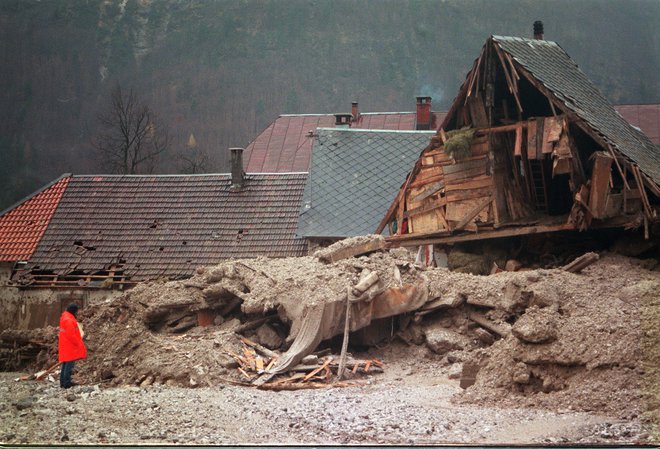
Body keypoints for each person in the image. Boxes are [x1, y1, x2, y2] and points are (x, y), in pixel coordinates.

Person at [58, 303, 87, 388]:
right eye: (77, 311)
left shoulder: (65, 317)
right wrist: (78, 343)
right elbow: (71, 335)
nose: (77, 313)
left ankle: (62, 382)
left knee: (65, 363)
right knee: (69, 365)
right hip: (69, 346)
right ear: (73, 311)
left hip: (65, 344)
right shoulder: (69, 320)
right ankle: (67, 383)